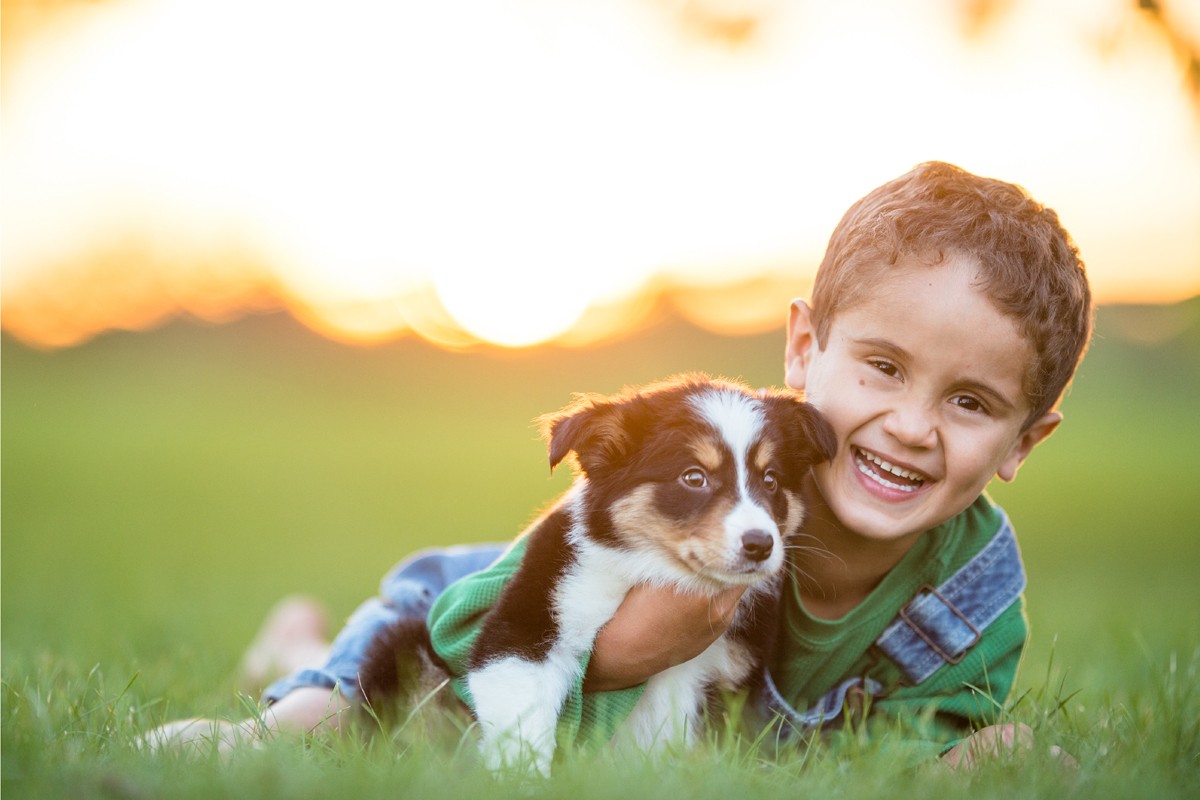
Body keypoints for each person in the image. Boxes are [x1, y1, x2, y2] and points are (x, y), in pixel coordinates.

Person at [147, 161, 1092, 769]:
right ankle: (294, 666)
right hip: (466, 608)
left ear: (1021, 443)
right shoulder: (724, 457)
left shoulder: (968, 594)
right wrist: (619, 653)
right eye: (882, 368)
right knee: (319, 730)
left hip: (623, 719)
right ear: (805, 350)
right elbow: (468, 627)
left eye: (970, 403)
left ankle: (291, 636)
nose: (911, 426)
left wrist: (975, 757)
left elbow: (907, 751)